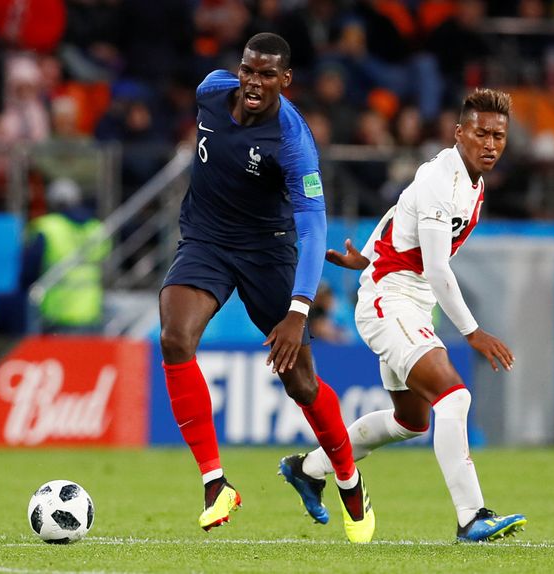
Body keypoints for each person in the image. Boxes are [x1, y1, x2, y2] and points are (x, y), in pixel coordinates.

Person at [279, 88, 528, 543]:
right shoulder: (441, 179)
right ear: (459, 133)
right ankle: (471, 516)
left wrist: (368, 254)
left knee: (411, 421)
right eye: (481, 133)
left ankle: (307, 469)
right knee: (455, 398)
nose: (491, 144)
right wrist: (473, 333)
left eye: (499, 135)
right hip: (388, 301)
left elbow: (401, 209)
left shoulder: (471, 183)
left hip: (407, 300)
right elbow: (436, 267)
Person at [158, 32, 374, 543]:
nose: (254, 83)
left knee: (300, 382)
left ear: (285, 80)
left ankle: (348, 479)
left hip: (267, 252)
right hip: (207, 241)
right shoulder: (211, 91)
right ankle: (216, 485)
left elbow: (314, 224)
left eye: (267, 75)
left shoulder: (292, 139)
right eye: (249, 71)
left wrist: (298, 311)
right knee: (174, 339)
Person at [21, 178, 110, 334]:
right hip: (91, 311)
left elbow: (28, 271)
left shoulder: (47, 227)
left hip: (57, 314)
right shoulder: (96, 228)